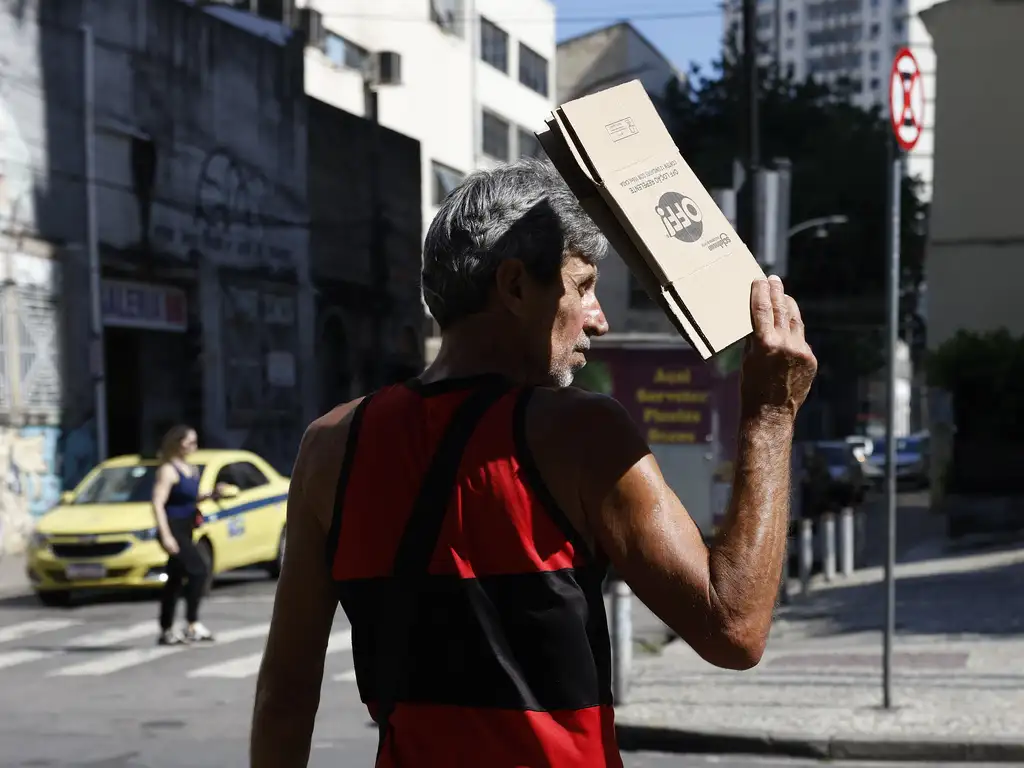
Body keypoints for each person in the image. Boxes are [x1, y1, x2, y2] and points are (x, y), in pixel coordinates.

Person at [250, 158, 817, 767]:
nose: (599, 319)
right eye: (583, 286)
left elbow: (286, 693)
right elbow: (733, 628)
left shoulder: (332, 445)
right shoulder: (582, 435)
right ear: (516, 286)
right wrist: (770, 415)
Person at [151, 424, 225, 646]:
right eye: (190, 442)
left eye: (195, 442)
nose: (194, 446)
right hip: (172, 529)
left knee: (175, 579)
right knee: (198, 570)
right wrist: (166, 536)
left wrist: (212, 495)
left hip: (186, 528)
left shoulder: (191, 469)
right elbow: (158, 503)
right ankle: (192, 624)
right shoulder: (168, 470)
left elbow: (189, 499)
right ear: (177, 443)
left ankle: (166, 629)